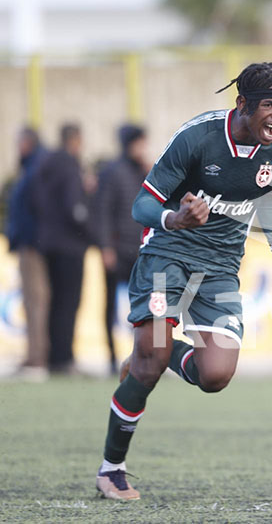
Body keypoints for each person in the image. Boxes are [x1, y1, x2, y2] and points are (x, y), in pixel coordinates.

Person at [95, 62, 272, 500]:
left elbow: (265, 199)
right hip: (166, 254)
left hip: (220, 267)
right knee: (151, 360)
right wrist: (174, 219)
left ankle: (148, 357)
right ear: (243, 105)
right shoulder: (198, 138)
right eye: (269, 104)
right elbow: (141, 205)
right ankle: (111, 470)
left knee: (214, 375)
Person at [33, 123, 90, 374]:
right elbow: (75, 208)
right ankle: (63, 357)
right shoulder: (69, 165)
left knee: (56, 302)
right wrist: (94, 234)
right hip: (69, 245)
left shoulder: (45, 164)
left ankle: (55, 356)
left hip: (49, 242)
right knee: (68, 302)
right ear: (75, 139)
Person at [94, 124, 149, 374]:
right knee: (110, 306)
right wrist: (106, 247)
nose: (143, 148)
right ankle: (111, 358)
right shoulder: (112, 172)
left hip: (142, 249)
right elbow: (102, 212)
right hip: (117, 249)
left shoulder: (145, 171)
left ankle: (147, 356)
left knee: (149, 305)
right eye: (139, 142)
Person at [7, 127, 50, 380]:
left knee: (35, 301)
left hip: (32, 245)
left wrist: (32, 239)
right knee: (32, 300)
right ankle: (34, 355)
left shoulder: (35, 169)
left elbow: (37, 208)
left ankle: (37, 358)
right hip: (30, 243)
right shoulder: (33, 167)